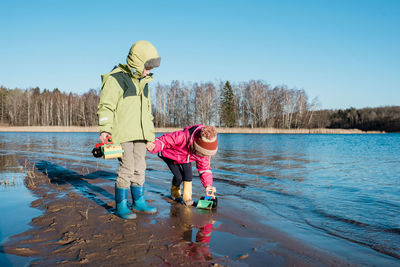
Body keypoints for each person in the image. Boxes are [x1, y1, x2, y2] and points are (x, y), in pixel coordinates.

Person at [97, 40, 161, 219]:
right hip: (122, 133)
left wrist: (150, 137)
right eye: (147, 67)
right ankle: (121, 205)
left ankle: (139, 202)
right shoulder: (116, 78)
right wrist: (105, 129)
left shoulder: (145, 83)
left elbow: (147, 112)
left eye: (150, 68)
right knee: (127, 167)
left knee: (140, 167)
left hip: (140, 134)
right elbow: (106, 106)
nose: (149, 71)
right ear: (138, 62)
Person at [146, 124, 217, 205]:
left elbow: (205, 169)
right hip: (169, 155)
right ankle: (175, 193)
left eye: (204, 155)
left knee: (188, 175)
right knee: (179, 176)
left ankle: (187, 198)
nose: (202, 156)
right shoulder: (181, 136)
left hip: (185, 158)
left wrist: (208, 185)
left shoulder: (203, 154)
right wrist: (154, 145)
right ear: (195, 146)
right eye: (201, 154)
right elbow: (164, 141)